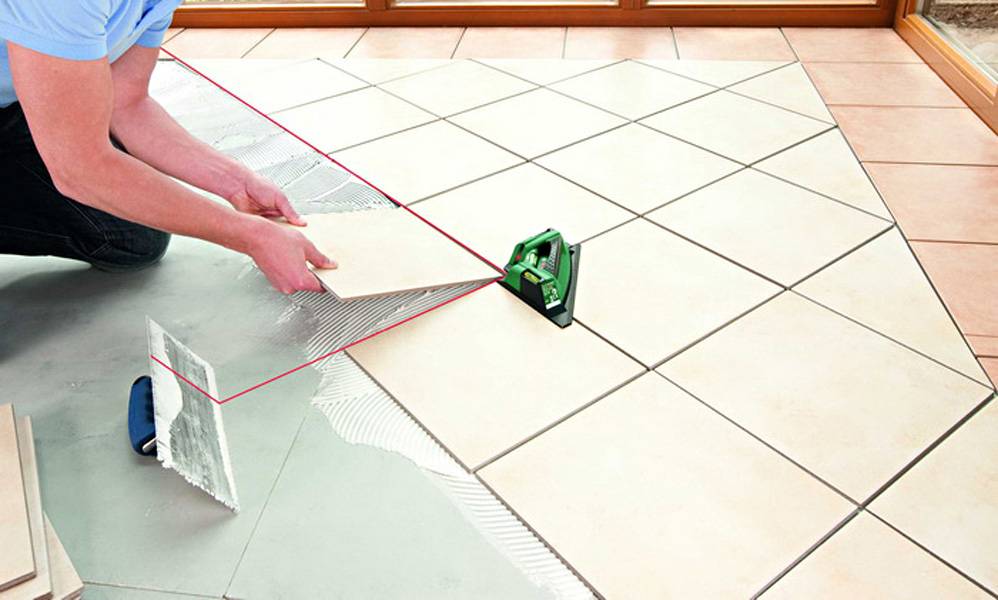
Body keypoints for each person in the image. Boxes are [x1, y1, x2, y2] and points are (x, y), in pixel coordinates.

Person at [0, 0, 335, 293]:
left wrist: (236, 183)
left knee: (132, 236)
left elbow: (128, 104)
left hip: (13, 106)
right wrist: (250, 236)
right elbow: (80, 169)